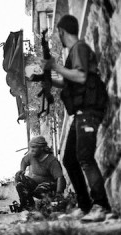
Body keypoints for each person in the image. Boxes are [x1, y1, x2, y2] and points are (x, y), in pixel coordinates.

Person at [34, 14, 110, 222]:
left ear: (61, 31)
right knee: (69, 159)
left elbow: (82, 76)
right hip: (79, 114)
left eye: (57, 33)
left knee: (84, 158)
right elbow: (71, 82)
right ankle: (85, 207)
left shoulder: (80, 48)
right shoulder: (73, 53)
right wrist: (47, 79)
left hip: (88, 112)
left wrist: (55, 67)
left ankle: (101, 206)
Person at [14, 136, 66, 210]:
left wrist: (59, 194)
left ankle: (47, 203)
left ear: (42, 148)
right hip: (35, 184)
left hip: (49, 187)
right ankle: (28, 205)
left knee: (40, 190)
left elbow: (60, 178)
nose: (31, 150)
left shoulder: (52, 161)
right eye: (31, 147)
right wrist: (22, 170)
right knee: (19, 178)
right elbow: (24, 161)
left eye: (34, 147)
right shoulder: (31, 156)